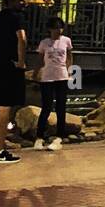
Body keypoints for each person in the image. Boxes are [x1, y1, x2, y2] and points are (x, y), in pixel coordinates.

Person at [0, 0, 27, 164]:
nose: (24, 3)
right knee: (5, 109)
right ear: (10, 1)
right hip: (9, 67)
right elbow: (22, 39)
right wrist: (21, 62)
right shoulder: (16, 18)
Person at [34, 17, 72, 151]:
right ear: (50, 29)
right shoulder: (44, 43)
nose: (58, 30)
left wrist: (69, 71)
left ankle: (59, 135)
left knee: (61, 107)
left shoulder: (66, 40)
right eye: (56, 28)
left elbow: (69, 56)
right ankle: (39, 136)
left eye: (60, 27)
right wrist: (35, 73)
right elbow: (40, 60)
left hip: (61, 76)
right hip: (47, 77)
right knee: (46, 107)